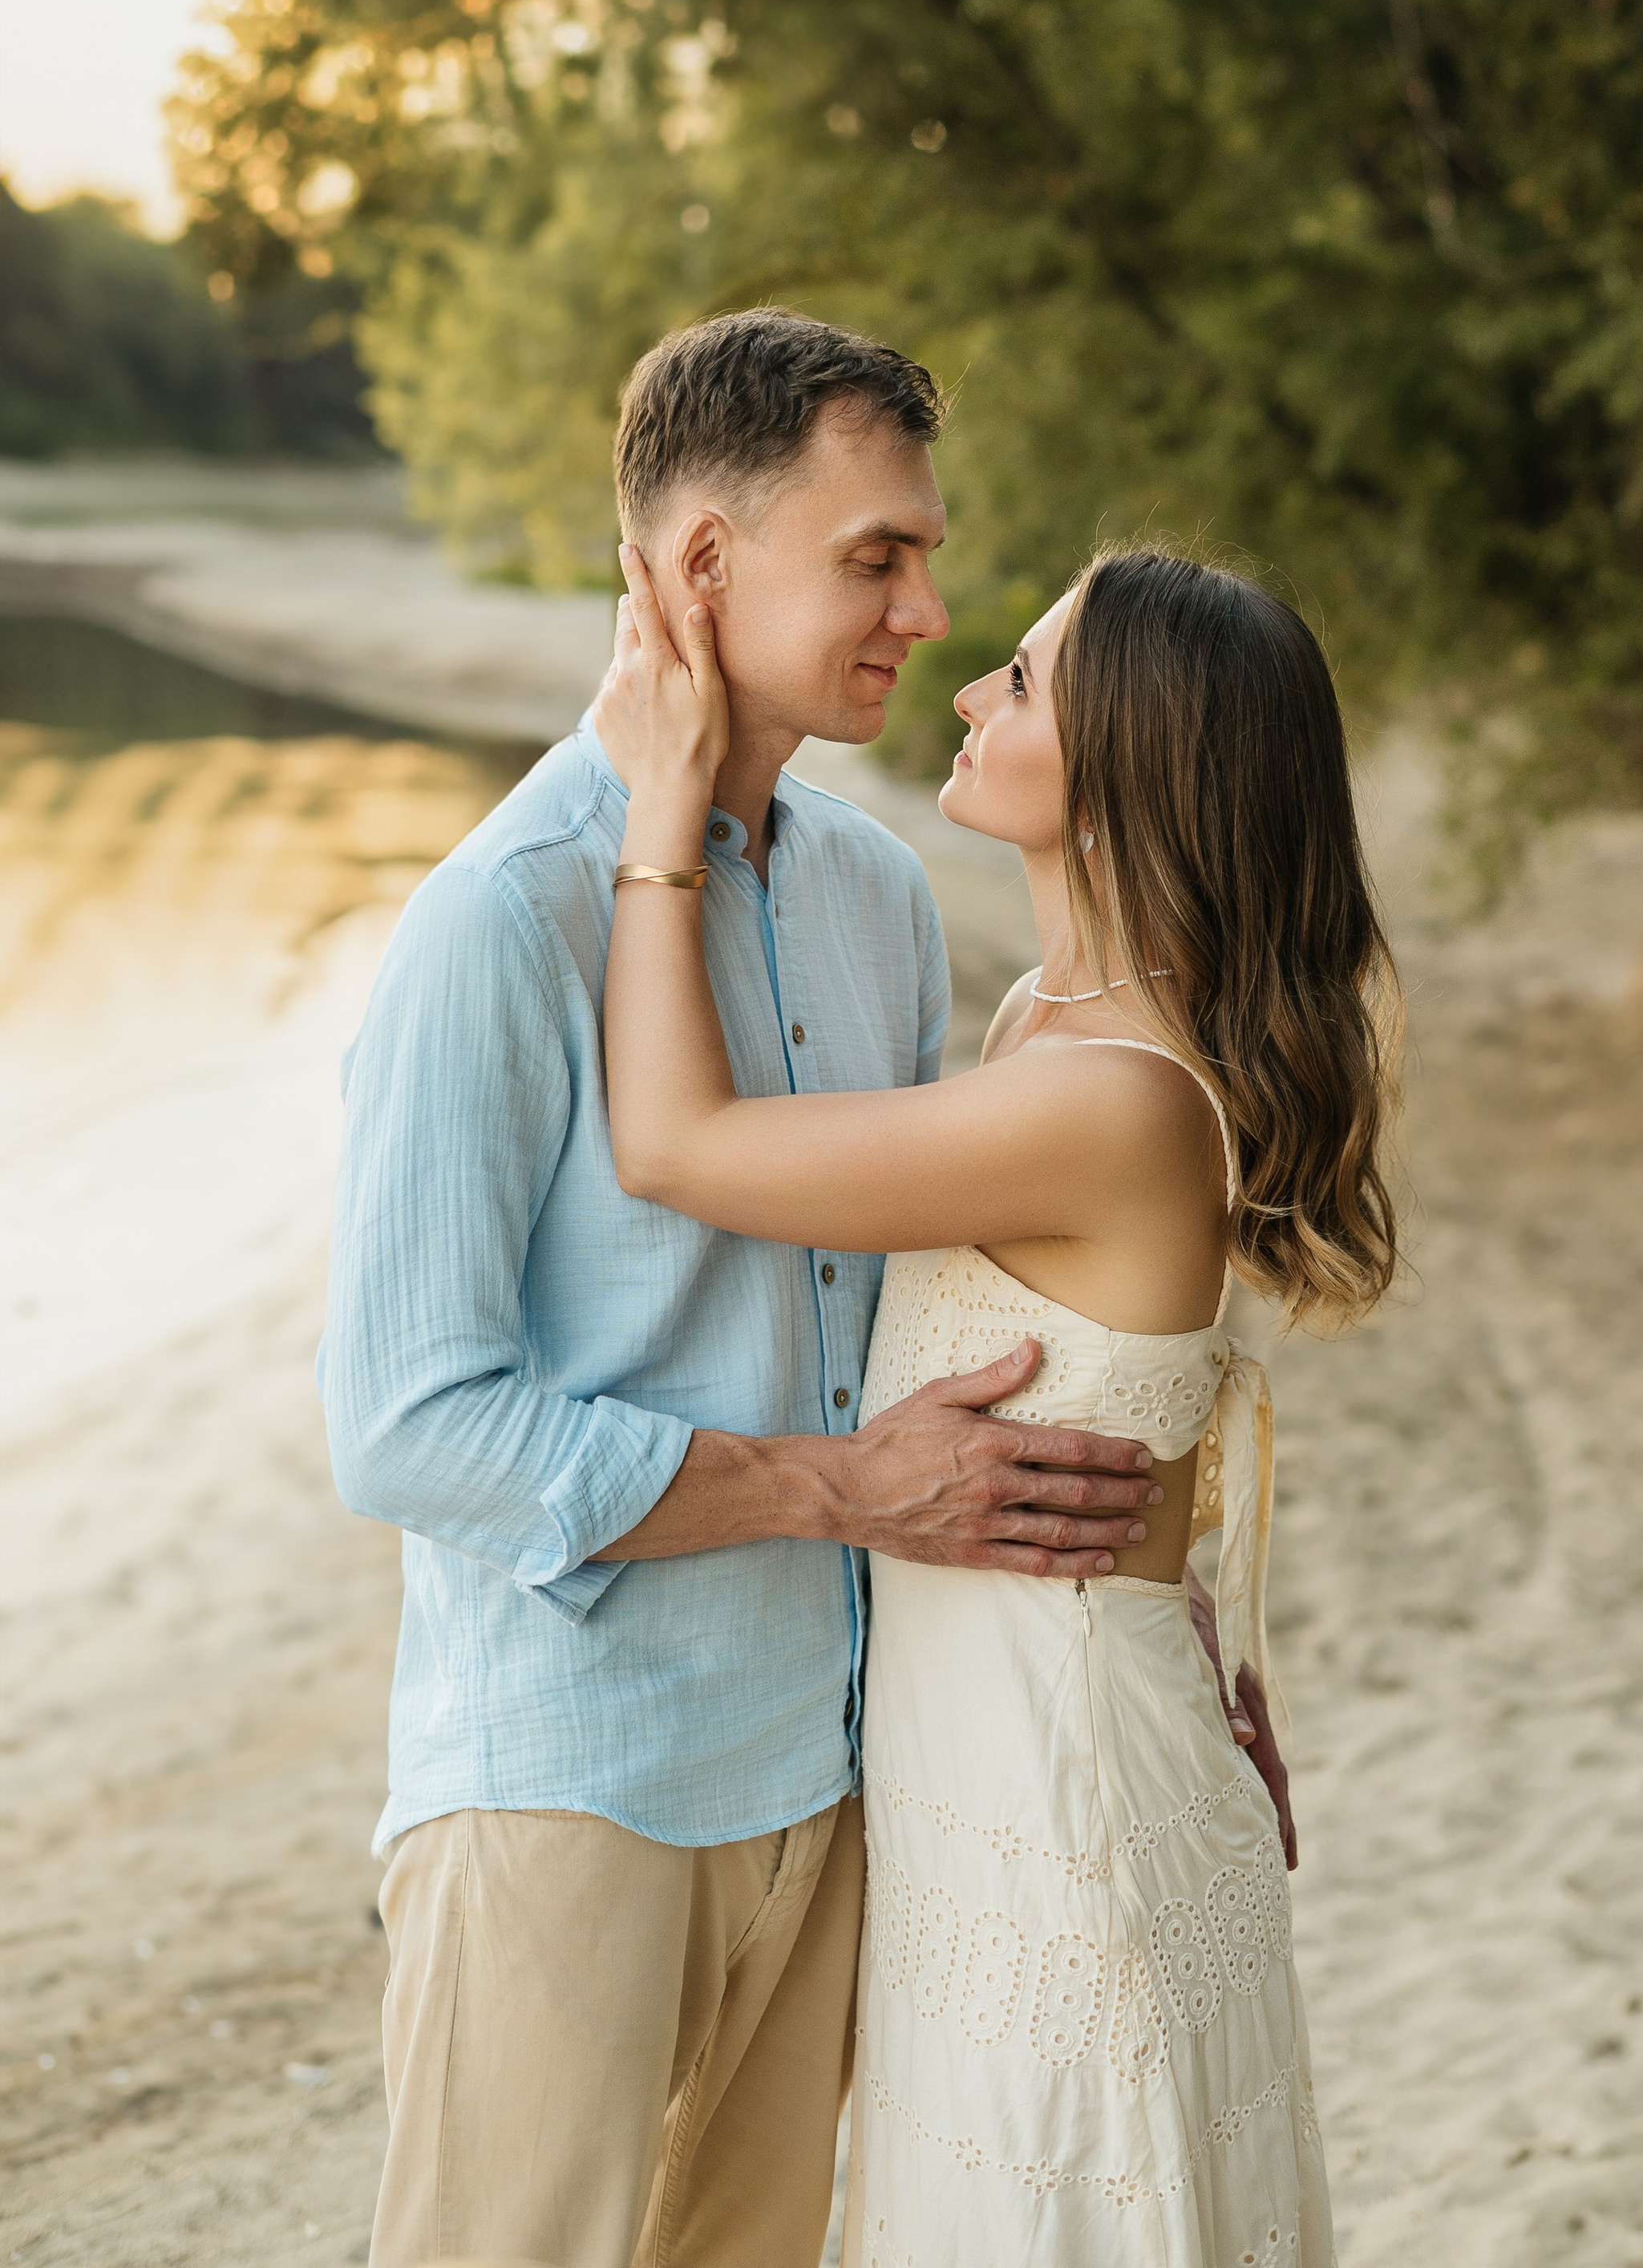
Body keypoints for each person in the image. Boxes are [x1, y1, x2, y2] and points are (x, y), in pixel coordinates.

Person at [321, 310, 1184, 2268]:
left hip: (833, 1769)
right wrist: (829, 1489)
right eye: (874, 555)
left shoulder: (878, 897)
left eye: (925, 553)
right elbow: (404, 1423)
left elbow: (940, 1321)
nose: (923, 603)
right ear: (702, 565)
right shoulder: (500, 919)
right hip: (573, 1786)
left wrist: (1187, 1608)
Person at [596, 533, 1402, 2266]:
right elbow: (1131, 1403)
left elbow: (673, 1145)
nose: (964, 687)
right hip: (1013, 1759)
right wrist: (1198, 1610)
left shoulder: (1109, 1095)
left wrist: (657, 824)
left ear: (1125, 772)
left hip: (1061, 1801)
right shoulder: (1053, 1018)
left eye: (1020, 679)